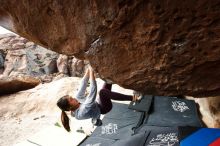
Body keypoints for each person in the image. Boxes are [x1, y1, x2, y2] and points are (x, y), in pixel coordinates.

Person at [57, 67, 140, 132]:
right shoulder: (81, 113)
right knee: (103, 92)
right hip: (104, 108)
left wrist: (88, 71)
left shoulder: (76, 100)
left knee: (108, 80)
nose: (74, 98)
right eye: (71, 100)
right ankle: (133, 98)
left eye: (71, 97)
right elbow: (93, 91)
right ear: (69, 108)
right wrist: (92, 73)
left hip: (98, 103)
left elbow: (83, 84)